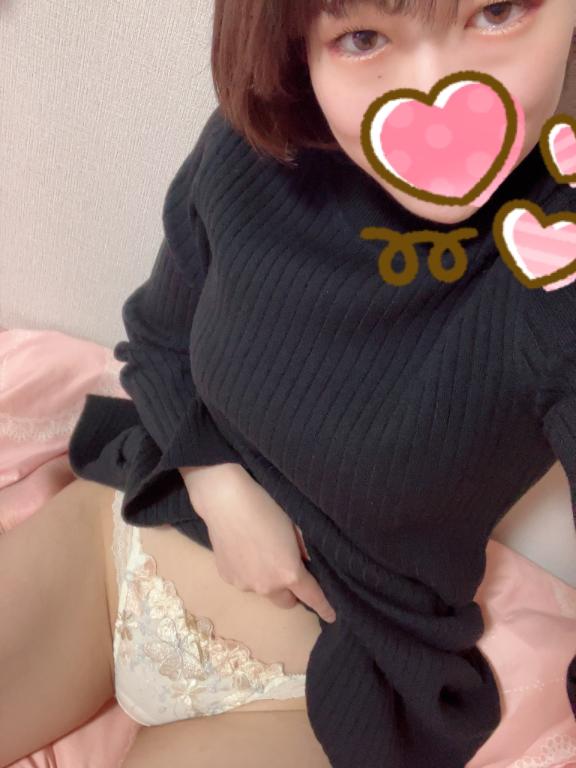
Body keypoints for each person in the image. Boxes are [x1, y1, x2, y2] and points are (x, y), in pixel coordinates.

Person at [2, 1, 576, 766]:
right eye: (363, 37)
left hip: (317, 685)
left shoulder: (557, 269)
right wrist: (214, 481)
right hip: (121, 540)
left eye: (497, 12)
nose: (435, 87)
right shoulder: (257, 153)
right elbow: (159, 340)